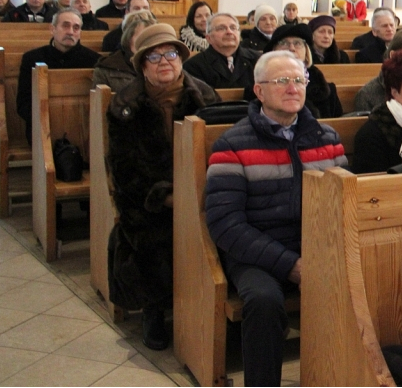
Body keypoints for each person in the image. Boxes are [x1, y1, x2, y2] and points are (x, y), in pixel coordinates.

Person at [205, 51, 348, 386]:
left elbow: (342, 203)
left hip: (314, 245)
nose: (292, 88)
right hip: (255, 253)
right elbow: (225, 224)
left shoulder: (325, 138)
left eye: (299, 80)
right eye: (282, 81)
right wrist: (290, 265)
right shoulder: (232, 144)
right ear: (259, 91)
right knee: (264, 301)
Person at [106, 24, 218, 350]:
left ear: (182, 59)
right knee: (150, 233)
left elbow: (223, 152)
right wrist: (165, 196)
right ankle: (153, 307)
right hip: (148, 197)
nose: (164, 61)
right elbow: (123, 170)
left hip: (201, 189)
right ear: (143, 65)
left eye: (171, 53)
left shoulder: (206, 97)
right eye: (154, 57)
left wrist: (199, 194)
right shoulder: (125, 106)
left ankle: (211, 305)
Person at [17, 9, 101, 142]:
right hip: (42, 130)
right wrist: (49, 120)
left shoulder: (94, 60)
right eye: (65, 26)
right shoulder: (32, 58)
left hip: (84, 129)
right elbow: (23, 102)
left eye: (76, 28)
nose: (70, 32)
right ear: (52, 29)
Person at [245, 23, 342, 119]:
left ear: (306, 52)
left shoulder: (326, 89)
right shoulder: (260, 86)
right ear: (273, 51)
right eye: (284, 43)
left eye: (298, 43)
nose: (291, 48)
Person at [183, 13, 260, 90]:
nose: (229, 32)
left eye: (233, 28)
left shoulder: (258, 60)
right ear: (209, 38)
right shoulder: (194, 66)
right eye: (221, 28)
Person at [93, 9, 157, 92]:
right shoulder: (107, 70)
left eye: (151, 37)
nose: (147, 42)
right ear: (128, 37)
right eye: (141, 36)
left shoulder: (163, 63)